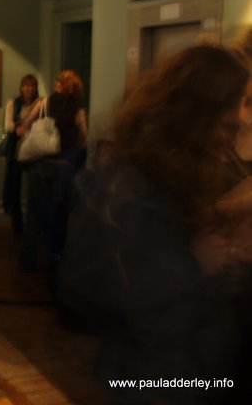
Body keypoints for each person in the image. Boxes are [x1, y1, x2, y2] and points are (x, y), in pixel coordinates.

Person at [58, 45, 252, 404]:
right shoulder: (138, 189)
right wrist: (215, 267)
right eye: (234, 108)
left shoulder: (164, 173)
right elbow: (159, 313)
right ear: (197, 113)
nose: (241, 122)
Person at [19, 70, 87, 274]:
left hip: (40, 165)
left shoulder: (44, 102)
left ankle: (28, 260)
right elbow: (83, 141)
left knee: (34, 214)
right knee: (60, 216)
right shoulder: (78, 111)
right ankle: (55, 262)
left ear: (58, 85)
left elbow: (26, 124)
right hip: (65, 168)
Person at [1, 74, 39, 236]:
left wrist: (28, 129)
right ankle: (17, 224)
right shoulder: (13, 103)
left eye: (32, 86)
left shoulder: (40, 103)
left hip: (35, 148)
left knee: (35, 186)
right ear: (21, 88)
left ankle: (34, 224)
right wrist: (19, 127)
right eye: (26, 85)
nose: (29, 89)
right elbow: (8, 126)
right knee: (14, 185)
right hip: (16, 148)